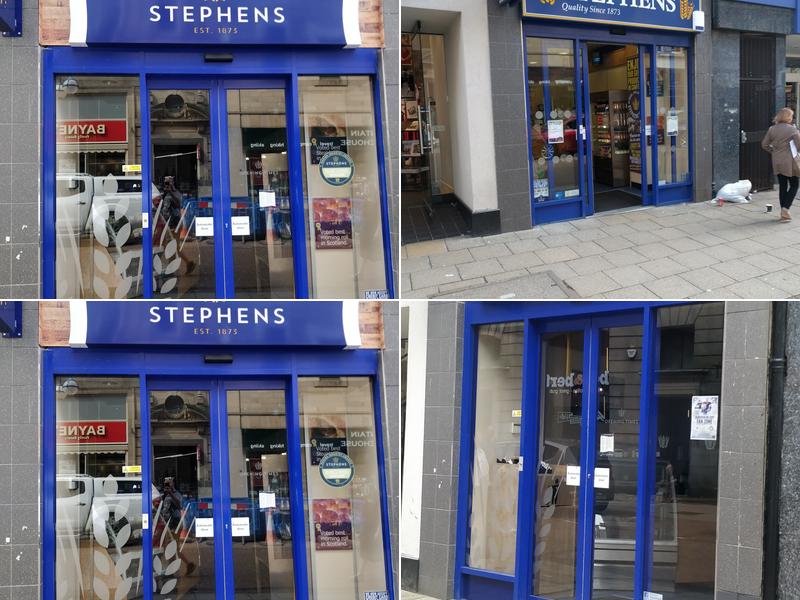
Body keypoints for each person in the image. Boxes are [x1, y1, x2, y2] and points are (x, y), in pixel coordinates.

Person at [761, 107, 800, 221]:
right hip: (790, 162)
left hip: (777, 161)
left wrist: (773, 151)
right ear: (788, 117)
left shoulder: (772, 129)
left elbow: (764, 144)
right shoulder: (792, 130)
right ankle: (785, 209)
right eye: (791, 116)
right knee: (794, 184)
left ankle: (784, 213)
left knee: (782, 185)